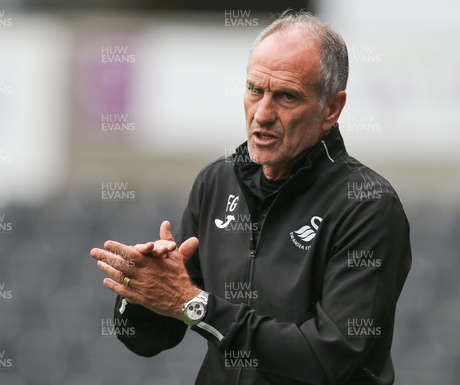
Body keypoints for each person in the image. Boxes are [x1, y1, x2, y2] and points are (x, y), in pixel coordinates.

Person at [90, 10, 411, 385]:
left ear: (332, 109)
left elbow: (328, 361)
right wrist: (145, 293)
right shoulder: (216, 182)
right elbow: (152, 339)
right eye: (255, 89)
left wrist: (197, 306)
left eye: (286, 97)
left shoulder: (368, 206)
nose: (262, 113)